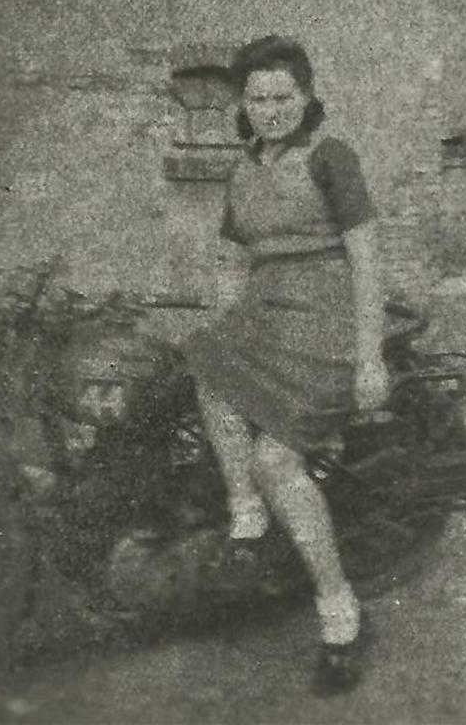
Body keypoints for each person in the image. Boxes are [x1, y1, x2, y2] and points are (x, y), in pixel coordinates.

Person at [183, 35, 388, 695]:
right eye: (258, 99)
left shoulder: (330, 157)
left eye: (282, 97)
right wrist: (222, 314)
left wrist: (369, 356)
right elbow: (230, 257)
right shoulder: (241, 170)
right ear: (243, 104)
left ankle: (340, 616)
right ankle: (246, 513)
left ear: (305, 97)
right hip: (266, 310)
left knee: (276, 462)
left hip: (327, 317)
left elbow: (366, 258)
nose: (271, 110)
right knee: (204, 361)